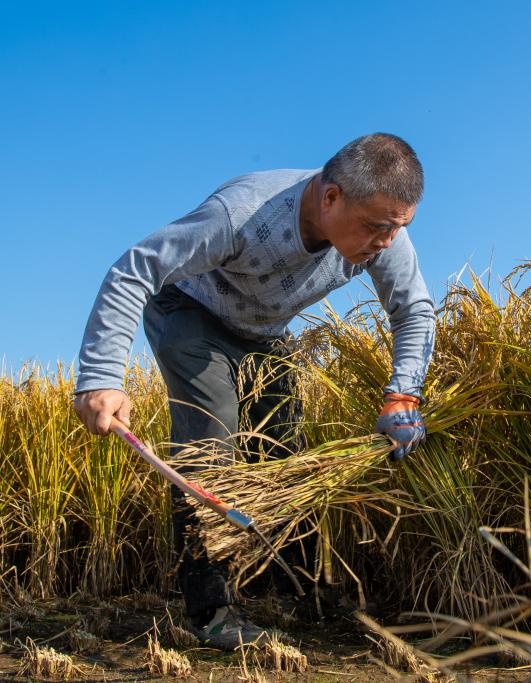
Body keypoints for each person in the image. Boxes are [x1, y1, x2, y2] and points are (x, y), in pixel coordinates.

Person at [73, 133, 436, 650]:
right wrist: (102, 376)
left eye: (400, 227)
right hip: (189, 310)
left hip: (262, 331)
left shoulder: (386, 235)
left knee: (285, 448)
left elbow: (414, 310)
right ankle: (209, 608)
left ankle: (294, 590)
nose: (386, 241)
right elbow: (137, 268)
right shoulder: (241, 214)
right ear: (330, 197)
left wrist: (403, 395)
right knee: (212, 437)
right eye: (378, 227)